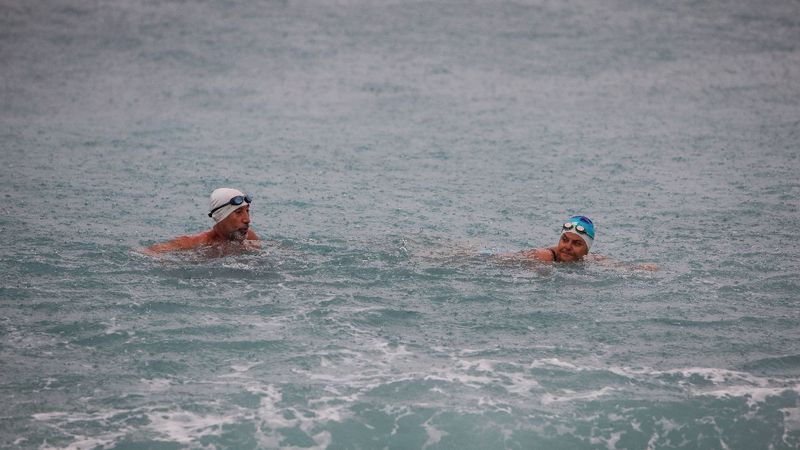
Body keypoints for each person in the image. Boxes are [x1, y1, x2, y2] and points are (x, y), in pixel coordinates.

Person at [144, 188, 260, 254]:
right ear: (221, 217)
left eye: (247, 211)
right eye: (238, 212)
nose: (247, 219)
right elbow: (148, 252)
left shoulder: (250, 238)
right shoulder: (196, 243)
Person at [502, 215, 596, 263]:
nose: (568, 246)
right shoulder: (544, 257)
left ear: (587, 250)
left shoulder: (588, 258)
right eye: (565, 239)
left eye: (576, 243)